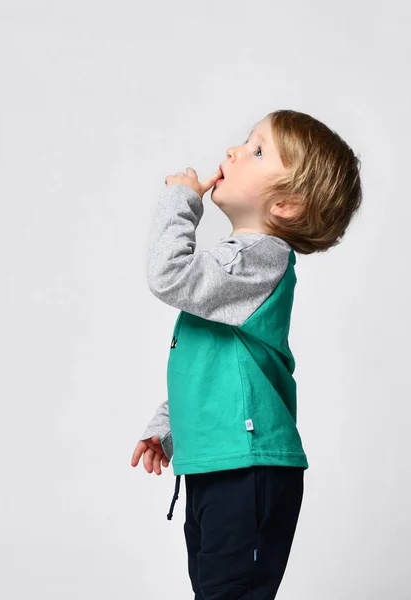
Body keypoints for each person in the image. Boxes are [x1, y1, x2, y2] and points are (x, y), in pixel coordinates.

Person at [130, 109, 363, 599]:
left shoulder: (258, 259)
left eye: (257, 150)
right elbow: (214, 366)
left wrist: (180, 201)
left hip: (247, 468)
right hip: (220, 463)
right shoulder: (233, 269)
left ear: (285, 206)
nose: (233, 151)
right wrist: (168, 426)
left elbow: (168, 274)